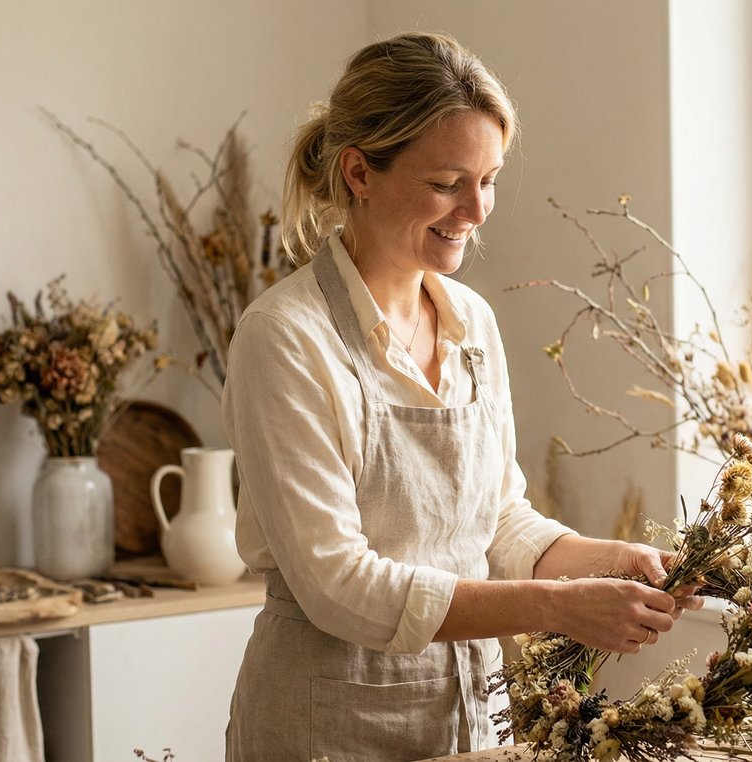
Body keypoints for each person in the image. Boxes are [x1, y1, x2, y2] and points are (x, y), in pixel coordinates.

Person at [222, 31, 701, 762]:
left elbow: (497, 522)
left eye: (490, 178)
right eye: (448, 182)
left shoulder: (469, 322)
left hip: (471, 718)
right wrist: (557, 610)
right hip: (325, 725)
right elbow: (337, 584)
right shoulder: (285, 338)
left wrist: (613, 561)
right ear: (359, 171)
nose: (477, 211)